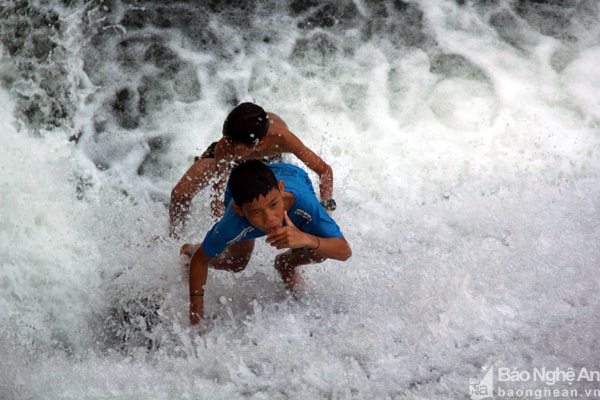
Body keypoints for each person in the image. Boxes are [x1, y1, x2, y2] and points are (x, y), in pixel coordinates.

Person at [180, 160, 352, 325]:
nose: (270, 219)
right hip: (242, 192)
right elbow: (200, 260)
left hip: (292, 175)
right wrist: (196, 317)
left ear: (281, 189)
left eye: (274, 205)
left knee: (320, 249)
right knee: (237, 263)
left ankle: (286, 264)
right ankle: (189, 248)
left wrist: (306, 238)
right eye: (257, 213)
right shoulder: (233, 223)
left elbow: (344, 251)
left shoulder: (304, 204)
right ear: (239, 211)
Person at [169, 102, 336, 238]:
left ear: (259, 144)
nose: (228, 145)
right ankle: (174, 237)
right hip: (231, 158)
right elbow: (217, 195)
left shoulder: (283, 139)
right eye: (227, 139)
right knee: (179, 194)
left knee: (269, 202)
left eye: (233, 145)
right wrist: (219, 231)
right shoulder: (226, 146)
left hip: (267, 161)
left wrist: (326, 208)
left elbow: (324, 170)